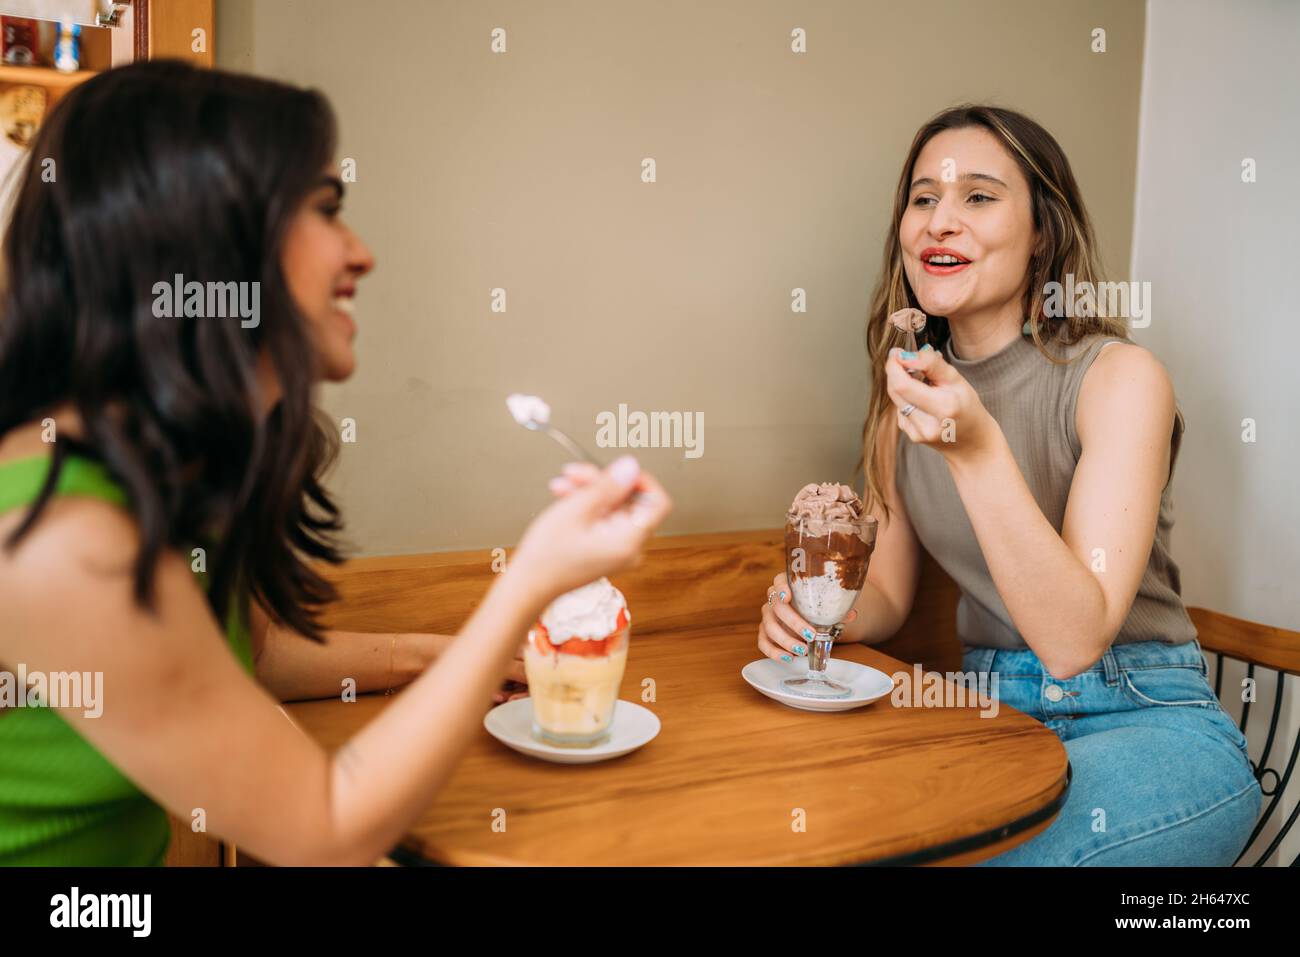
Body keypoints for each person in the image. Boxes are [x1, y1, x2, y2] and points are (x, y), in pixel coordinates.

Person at [0, 60, 671, 866]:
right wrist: (529, 582)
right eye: (325, 210)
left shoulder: (156, 473)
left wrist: (463, 656)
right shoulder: (64, 543)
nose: (362, 254)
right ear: (210, 239)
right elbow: (326, 831)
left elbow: (253, 656)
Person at [757, 104, 1260, 866]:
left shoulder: (1119, 379)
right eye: (923, 198)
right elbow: (887, 598)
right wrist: (816, 610)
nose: (939, 222)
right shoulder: (907, 400)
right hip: (990, 719)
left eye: (979, 196)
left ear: (1042, 235)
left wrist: (977, 447)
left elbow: (1071, 641)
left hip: (1145, 719)